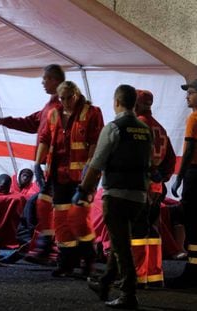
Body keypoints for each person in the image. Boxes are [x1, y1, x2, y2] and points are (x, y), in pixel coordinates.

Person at [78, 85, 152, 309]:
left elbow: (97, 163)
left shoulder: (113, 128)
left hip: (117, 193)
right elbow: (148, 163)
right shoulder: (144, 129)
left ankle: (129, 294)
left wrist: (84, 189)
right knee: (120, 238)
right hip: (139, 194)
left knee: (121, 245)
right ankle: (105, 282)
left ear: (117, 101)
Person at [0, 64, 65, 260]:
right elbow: (32, 123)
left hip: (60, 168)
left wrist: (42, 163)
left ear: (56, 80)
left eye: (46, 78)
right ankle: (45, 247)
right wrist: (5, 121)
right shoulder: (50, 106)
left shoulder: (62, 107)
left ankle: (52, 249)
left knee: (50, 206)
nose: (43, 82)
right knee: (44, 205)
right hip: (50, 166)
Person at [34, 81, 104, 277]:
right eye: (61, 98)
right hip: (58, 175)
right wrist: (37, 163)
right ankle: (67, 262)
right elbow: (45, 139)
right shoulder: (53, 113)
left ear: (76, 94)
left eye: (69, 97)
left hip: (83, 177)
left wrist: (90, 167)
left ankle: (88, 260)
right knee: (62, 220)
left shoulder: (92, 112)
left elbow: (96, 142)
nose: (65, 102)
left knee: (79, 218)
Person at [132, 89, 176, 288]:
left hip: (141, 185)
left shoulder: (137, 126)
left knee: (138, 231)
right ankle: (155, 274)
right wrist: (163, 178)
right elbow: (171, 159)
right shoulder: (160, 127)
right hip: (157, 186)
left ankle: (139, 275)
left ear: (137, 104)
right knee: (153, 228)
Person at [169, 79, 197, 288]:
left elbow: (188, 151)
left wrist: (179, 177)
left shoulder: (194, 118)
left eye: (191, 92)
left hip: (195, 174)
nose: (187, 96)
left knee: (193, 223)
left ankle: (192, 271)